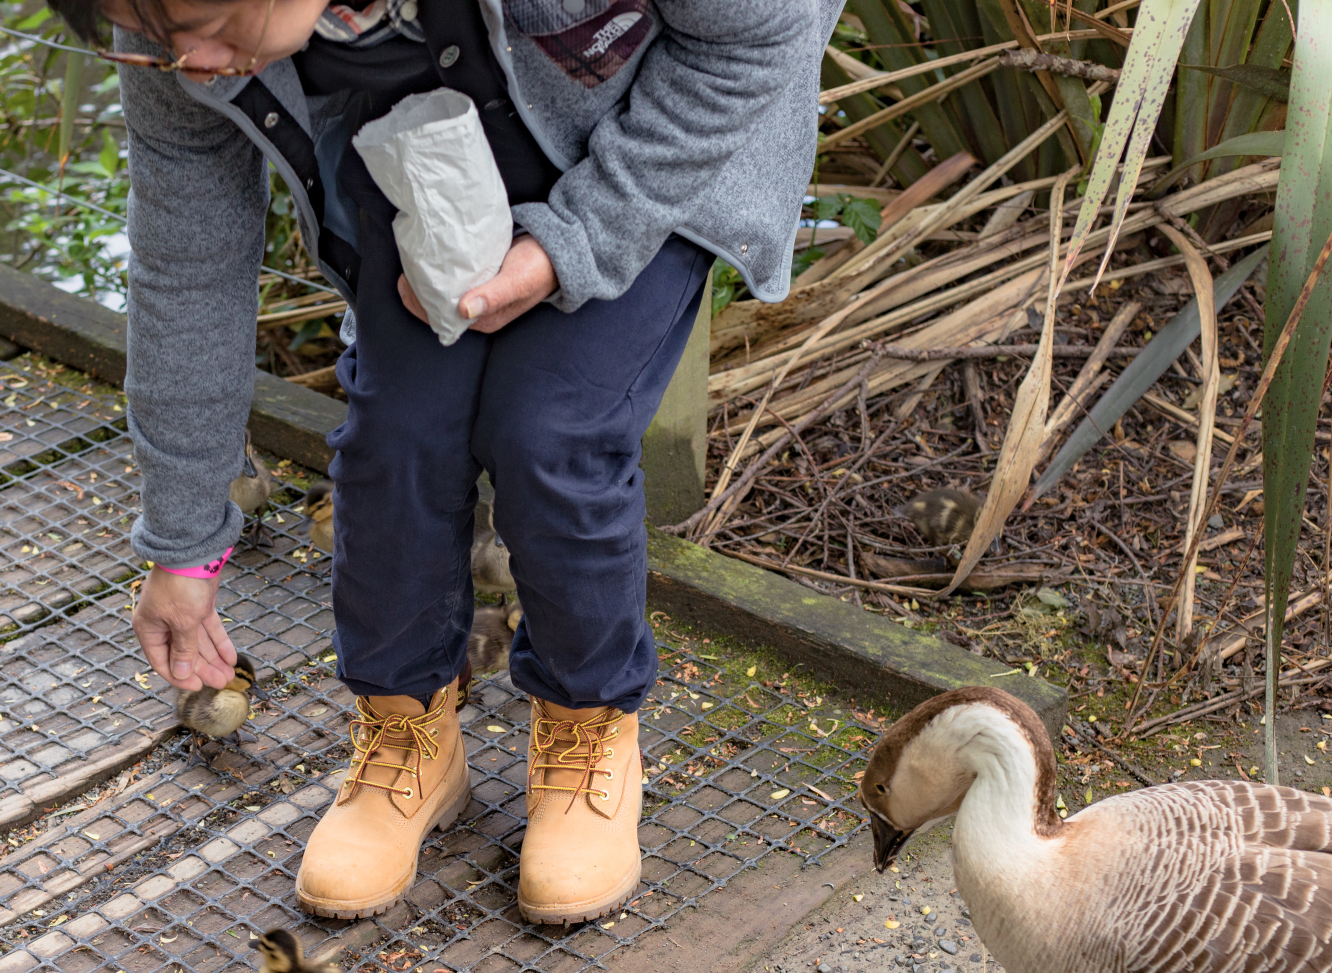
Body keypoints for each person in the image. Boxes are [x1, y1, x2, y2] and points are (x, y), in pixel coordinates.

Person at [52, 0, 835, 922]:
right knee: (398, 436)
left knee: (552, 431)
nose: (188, 59)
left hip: (649, 143)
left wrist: (571, 242)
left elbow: (757, 38)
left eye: (207, 20)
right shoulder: (168, 29)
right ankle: (406, 731)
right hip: (434, 162)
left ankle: (589, 728)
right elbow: (185, 265)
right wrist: (184, 543)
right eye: (151, 30)